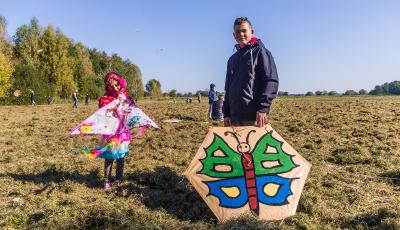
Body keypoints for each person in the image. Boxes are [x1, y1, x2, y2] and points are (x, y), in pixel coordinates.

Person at [223, 17, 279, 127]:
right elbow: (228, 88)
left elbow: (271, 81)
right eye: (238, 32)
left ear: (252, 32)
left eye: (244, 31)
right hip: (234, 117)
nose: (241, 34)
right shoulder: (232, 60)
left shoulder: (261, 52)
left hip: (254, 116)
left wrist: (263, 108)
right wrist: (226, 113)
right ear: (234, 35)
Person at [98, 72, 135, 190]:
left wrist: (124, 102)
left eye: (117, 85)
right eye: (112, 86)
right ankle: (106, 180)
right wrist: (115, 104)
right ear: (108, 86)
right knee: (109, 157)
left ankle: (118, 179)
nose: (115, 88)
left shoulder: (124, 96)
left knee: (121, 156)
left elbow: (130, 108)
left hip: (122, 132)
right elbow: (102, 110)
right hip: (110, 131)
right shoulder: (104, 98)